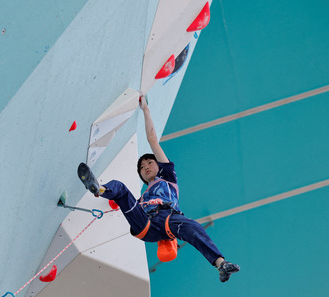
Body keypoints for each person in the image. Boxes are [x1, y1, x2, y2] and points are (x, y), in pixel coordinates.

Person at [78, 95, 240, 282]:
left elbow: (152, 139)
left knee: (193, 227)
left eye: (149, 162)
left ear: (158, 165)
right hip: (146, 224)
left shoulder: (168, 178)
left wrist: (145, 109)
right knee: (121, 189)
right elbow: (125, 204)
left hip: (169, 220)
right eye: (142, 167)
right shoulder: (142, 197)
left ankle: (221, 264)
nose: (145, 167)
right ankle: (99, 189)